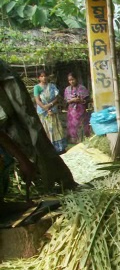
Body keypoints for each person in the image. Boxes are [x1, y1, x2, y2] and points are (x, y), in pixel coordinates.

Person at [0, 60, 75, 192]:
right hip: (15, 129)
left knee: (37, 141)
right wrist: (23, 160)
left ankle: (52, 181)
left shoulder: (6, 74)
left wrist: (23, 161)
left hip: (20, 125)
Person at [34, 70, 66, 154]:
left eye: (45, 76)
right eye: (41, 76)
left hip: (52, 110)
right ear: (39, 78)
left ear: (48, 76)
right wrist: (45, 107)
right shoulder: (37, 87)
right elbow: (37, 100)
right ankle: (48, 149)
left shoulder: (52, 86)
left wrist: (50, 105)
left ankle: (59, 148)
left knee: (55, 128)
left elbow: (57, 98)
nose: (44, 78)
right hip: (43, 112)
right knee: (45, 129)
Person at [64, 73, 91, 143]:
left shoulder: (82, 88)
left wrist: (81, 100)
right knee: (73, 126)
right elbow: (65, 101)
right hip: (71, 112)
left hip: (81, 111)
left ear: (76, 79)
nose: (71, 81)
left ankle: (83, 139)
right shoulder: (67, 89)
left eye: (73, 79)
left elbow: (88, 99)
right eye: (69, 80)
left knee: (82, 125)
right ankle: (74, 140)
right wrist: (72, 100)